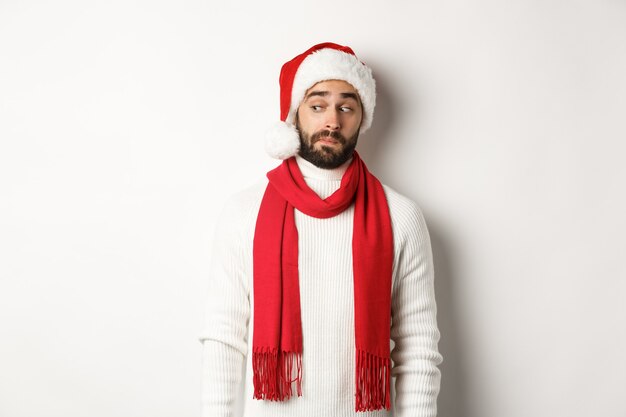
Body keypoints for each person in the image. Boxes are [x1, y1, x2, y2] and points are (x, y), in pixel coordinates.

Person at [199, 42, 443, 417]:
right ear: (295, 115)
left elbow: (418, 349)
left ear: (362, 117)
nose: (332, 121)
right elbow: (223, 339)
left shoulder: (401, 216)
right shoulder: (243, 212)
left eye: (346, 106)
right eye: (317, 105)